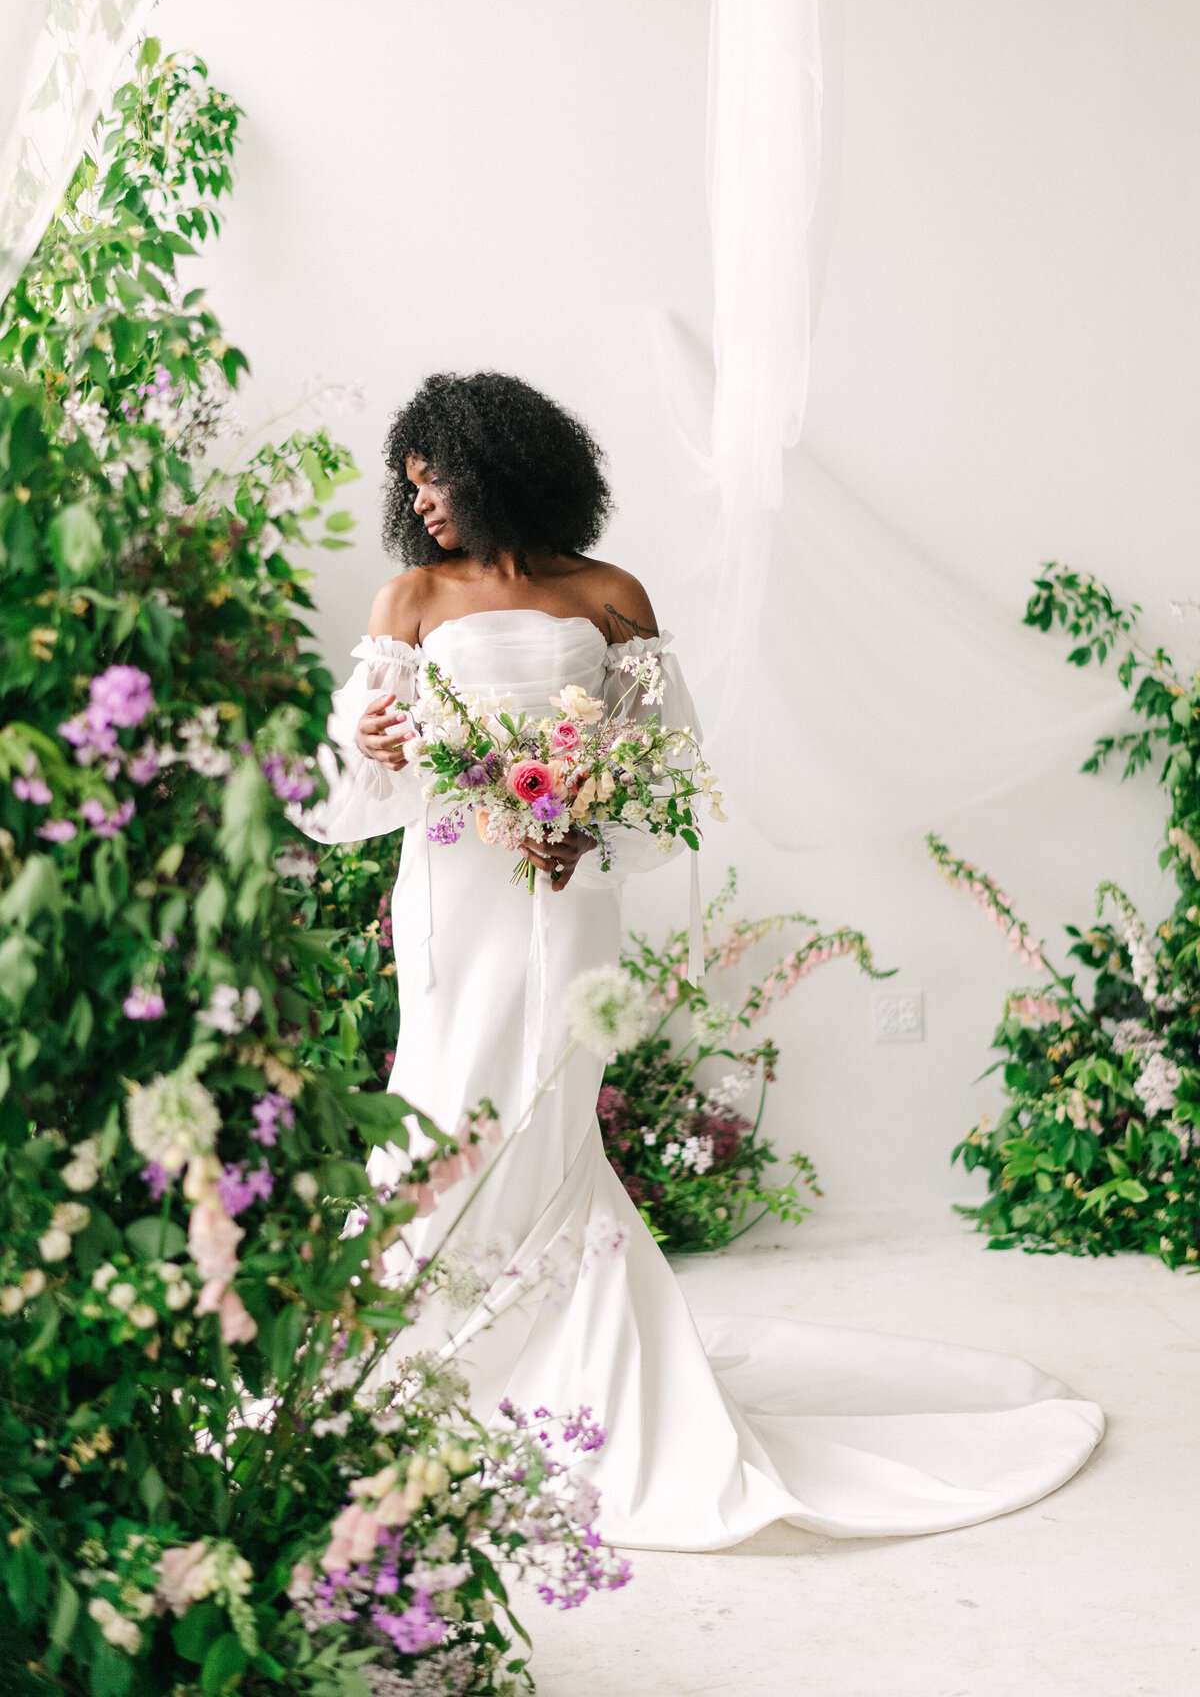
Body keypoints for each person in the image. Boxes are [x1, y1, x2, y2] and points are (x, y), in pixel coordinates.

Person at [299, 371, 1103, 1551]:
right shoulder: (409, 598)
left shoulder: (609, 594)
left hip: (570, 898)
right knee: (447, 1103)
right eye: (408, 483)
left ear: (501, 466)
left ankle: (576, 1377)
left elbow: (664, 763)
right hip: (453, 895)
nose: (419, 505)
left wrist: (590, 824)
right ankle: (399, 1370)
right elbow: (357, 791)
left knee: (549, 1113)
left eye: (438, 478)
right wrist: (366, 738)